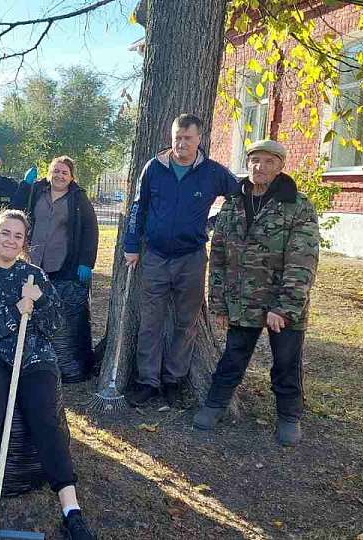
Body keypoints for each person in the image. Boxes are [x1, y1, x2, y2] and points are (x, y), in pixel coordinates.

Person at [0, 209, 97, 540]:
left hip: (33, 357)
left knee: (45, 416)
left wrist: (40, 300)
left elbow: (55, 324)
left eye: (18, 236)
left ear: (24, 243)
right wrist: (15, 311)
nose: (11, 240)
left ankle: (71, 511)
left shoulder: (33, 276)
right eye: (5, 233)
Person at [194, 139, 319, 446]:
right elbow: (219, 256)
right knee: (233, 357)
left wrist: (284, 308)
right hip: (243, 301)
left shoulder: (297, 205)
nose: (260, 167)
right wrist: (219, 305)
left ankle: (289, 416)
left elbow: (303, 261)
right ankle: (215, 405)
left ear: (280, 167)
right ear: (247, 164)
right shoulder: (233, 203)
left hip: (282, 305)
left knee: (286, 362)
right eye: (254, 160)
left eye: (268, 161)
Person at [123, 114, 240, 407]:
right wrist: (131, 245)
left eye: (188, 138)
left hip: (192, 258)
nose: (182, 143)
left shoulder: (212, 172)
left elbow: (239, 195)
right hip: (155, 256)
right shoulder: (154, 167)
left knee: (186, 323)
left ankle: (173, 380)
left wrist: (213, 223)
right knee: (151, 321)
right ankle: (148, 381)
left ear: (199, 139)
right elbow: (138, 207)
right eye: (177, 137)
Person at [12, 156, 98, 376]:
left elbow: (90, 230)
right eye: (56, 171)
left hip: (62, 265)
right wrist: (25, 186)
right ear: (49, 173)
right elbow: (15, 212)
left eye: (64, 172)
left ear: (71, 177)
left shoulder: (78, 198)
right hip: (32, 262)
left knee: (58, 311)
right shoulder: (36, 191)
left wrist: (86, 262)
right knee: (30, 309)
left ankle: (64, 363)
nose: (59, 176)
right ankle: (29, 357)